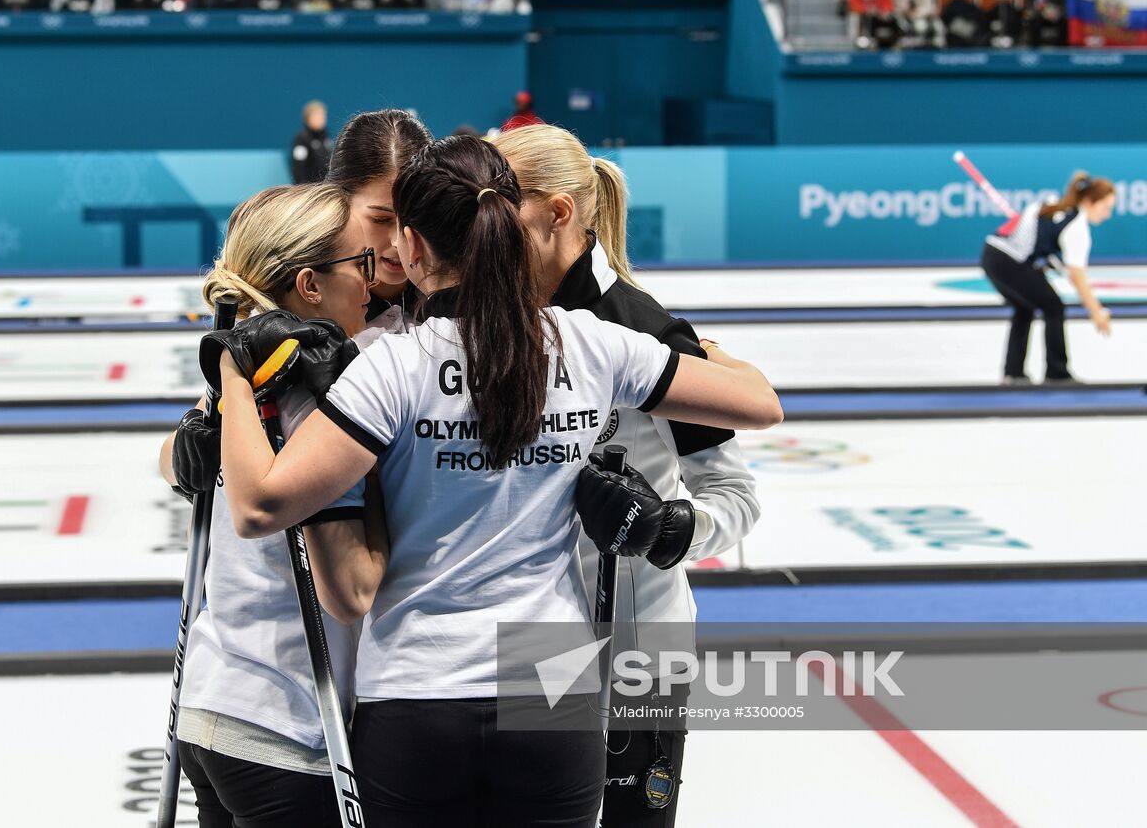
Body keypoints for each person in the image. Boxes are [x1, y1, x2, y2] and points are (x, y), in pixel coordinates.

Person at [214, 135, 782, 827]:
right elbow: (761, 404)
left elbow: (261, 504)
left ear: (414, 247)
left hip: (440, 674)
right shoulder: (589, 341)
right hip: (554, 672)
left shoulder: (395, 362)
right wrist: (699, 349)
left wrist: (232, 376)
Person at [495, 124, 762, 828]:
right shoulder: (491, 322)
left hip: (640, 645)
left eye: (499, 204)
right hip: (530, 637)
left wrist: (673, 529)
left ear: (558, 212)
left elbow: (735, 495)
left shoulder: (645, 330)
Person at [158, 183, 387, 827]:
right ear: (310, 285)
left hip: (211, 706)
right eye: (360, 263)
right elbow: (351, 592)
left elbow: (175, 458)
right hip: (289, 729)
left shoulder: (240, 377)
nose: (372, 280)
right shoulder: (316, 395)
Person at [980, 172, 1117, 385]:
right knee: (1054, 307)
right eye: (1106, 208)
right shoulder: (1077, 226)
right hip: (1009, 260)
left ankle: (1013, 373)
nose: (1107, 215)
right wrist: (1096, 311)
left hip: (992, 254)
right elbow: (1077, 277)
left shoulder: (1055, 206)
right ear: (1090, 201)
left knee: (1025, 308)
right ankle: (1057, 373)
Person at [323, 107, 433, 332]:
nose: (398, 241)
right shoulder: (293, 296)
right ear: (337, 201)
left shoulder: (467, 290)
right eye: (381, 219)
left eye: (414, 218)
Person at [290, 99, 331, 184]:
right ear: (308, 118)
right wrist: (301, 189)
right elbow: (298, 169)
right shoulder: (301, 139)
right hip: (309, 188)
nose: (322, 119)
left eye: (323, 116)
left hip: (324, 187)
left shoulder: (325, 138)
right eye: (318, 116)